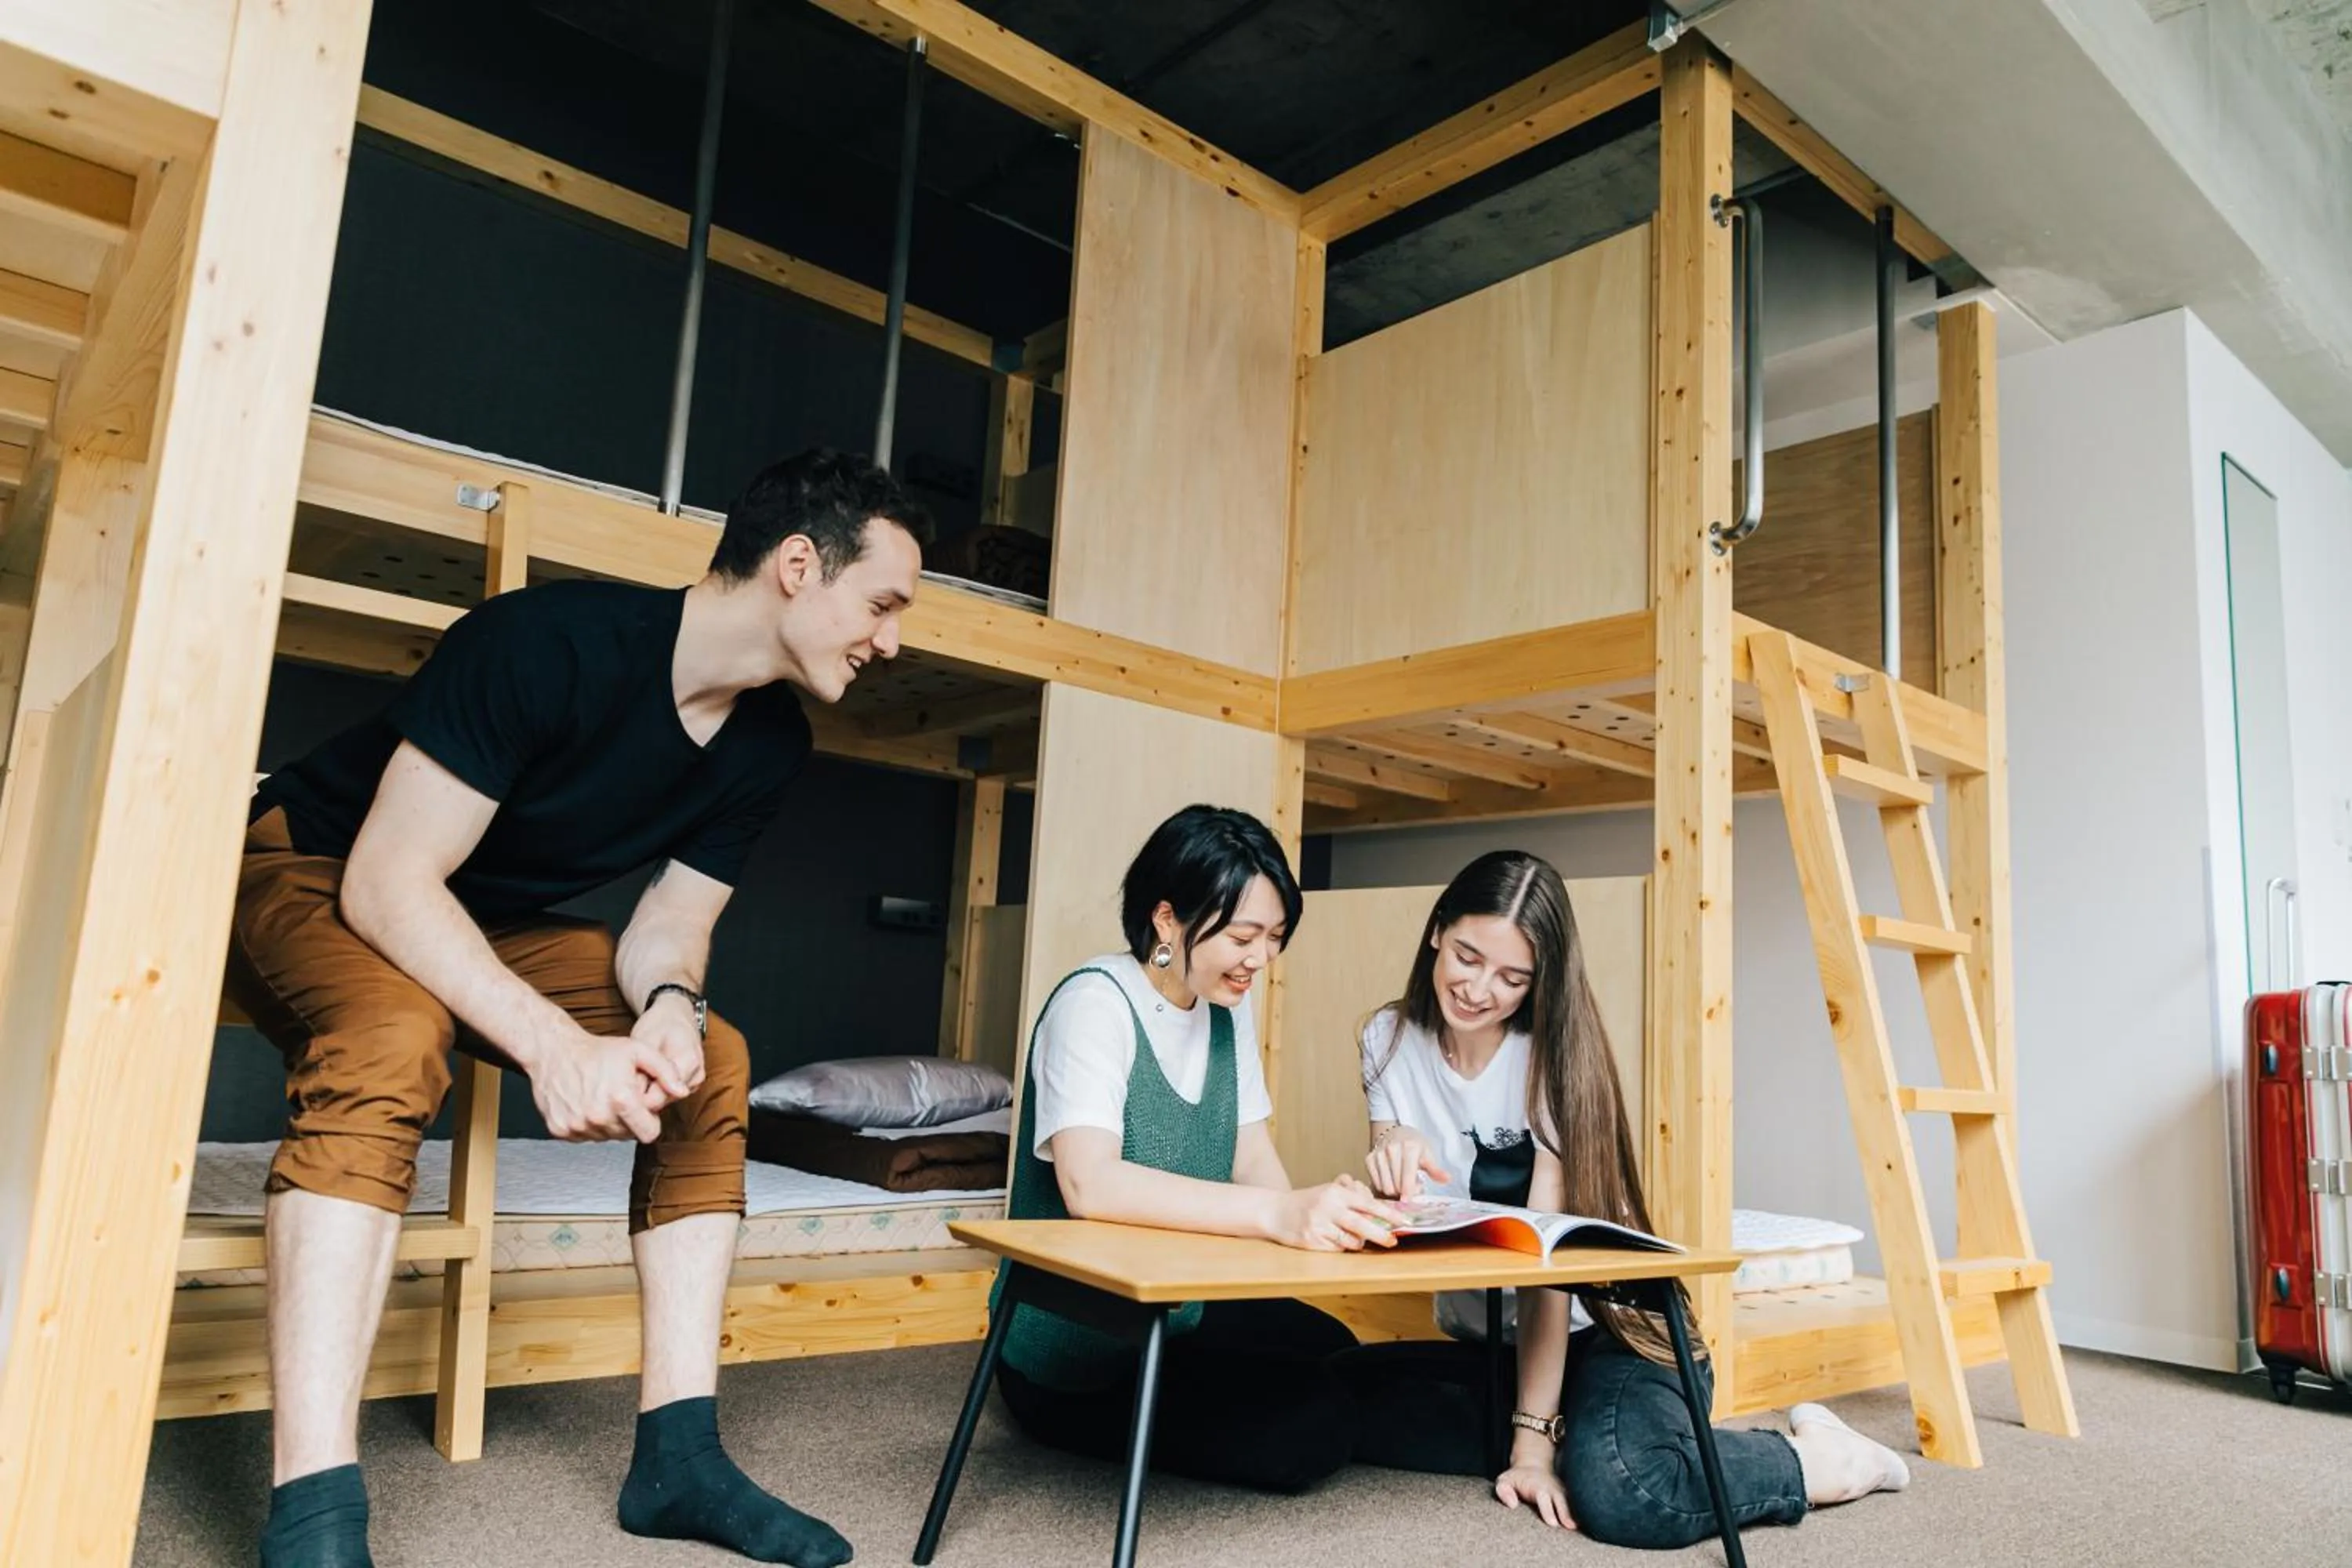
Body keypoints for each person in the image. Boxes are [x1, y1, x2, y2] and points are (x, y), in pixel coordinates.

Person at [227, 450, 931, 1568]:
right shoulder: (545, 644)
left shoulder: (769, 739)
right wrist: (552, 1046)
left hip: (476, 912)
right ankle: (313, 1514)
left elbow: (671, 926)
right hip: (317, 866)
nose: (891, 640)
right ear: (800, 565)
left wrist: (665, 1008)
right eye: (884, 603)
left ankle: (679, 1464)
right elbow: (384, 884)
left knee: (715, 1057)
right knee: (392, 1038)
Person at [1341, 850, 1911, 1548]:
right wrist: (1388, 1158)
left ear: (1539, 981)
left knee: (1626, 1490)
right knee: (1329, 1397)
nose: (1479, 988)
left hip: (1614, 1334)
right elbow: (1400, 1176)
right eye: (1467, 956)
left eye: (1512, 977)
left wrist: (1529, 1448)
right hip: (1495, 1341)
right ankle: (1565, 1425)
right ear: (1436, 931)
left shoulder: (1553, 1061)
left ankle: (1819, 1458)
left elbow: (1551, 1276)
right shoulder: (1387, 1039)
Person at [993, 804, 1403, 1494]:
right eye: (1244, 936)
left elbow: (1251, 1160)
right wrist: (1277, 1218)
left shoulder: (1221, 1010)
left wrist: (1324, 1215)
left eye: (1274, 937)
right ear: (1166, 920)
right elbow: (1090, 1186)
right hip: (1078, 1343)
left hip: (1182, 1309)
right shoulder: (1093, 1005)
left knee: (1333, 1348)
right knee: (1309, 1430)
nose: (1261, 959)